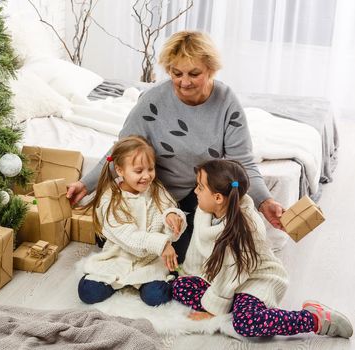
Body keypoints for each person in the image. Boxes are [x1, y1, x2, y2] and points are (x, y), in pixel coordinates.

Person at [66, 31, 285, 263]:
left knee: (202, 253)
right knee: (128, 244)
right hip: (153, 190)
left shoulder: (226, 102)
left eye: (194, 73)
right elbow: (121, 152)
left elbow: (241, 163)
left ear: (211, 69)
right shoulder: (153, 100)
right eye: (176, 73)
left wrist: (264, 201)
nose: (184, 81)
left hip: (198, 192)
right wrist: (85, 184)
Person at [173, 159, 352, 338]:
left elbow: (233, 272)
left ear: (218, 198)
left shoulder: (246, 228)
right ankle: (236, 306)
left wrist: (213, 311)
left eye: (200, 187)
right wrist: (190, 274)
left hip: (255, 278)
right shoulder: (204, 212)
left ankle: (314, 318)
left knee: (246, 323)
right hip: (223, 280)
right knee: (180, 287)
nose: (195, 191)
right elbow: (197, 249)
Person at [78, 135, 187, 306]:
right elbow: (128, 236)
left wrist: (172, 217)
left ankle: (158, 280)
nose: (146, 176)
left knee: (156, 297)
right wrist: (162, 244)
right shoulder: (111, 198)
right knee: (88, 292)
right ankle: (116, 279)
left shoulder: (157, 190)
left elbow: (170, 216)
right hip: (119, 256)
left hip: (150, 260)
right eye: (138, 171)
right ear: (120, 170)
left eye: (150, 169)